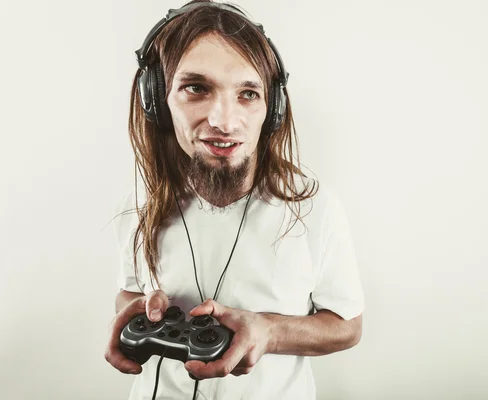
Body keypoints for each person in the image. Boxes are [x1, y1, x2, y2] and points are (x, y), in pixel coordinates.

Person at [104, 1, 364, 399]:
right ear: (157, 98)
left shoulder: (316, 206)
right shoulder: (138, 202)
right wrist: (138, 310)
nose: (224, 121)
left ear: (271, 108)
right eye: (196, 88)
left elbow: (347, 325)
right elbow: (129, 290)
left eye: (247, 93)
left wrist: (269, 331)